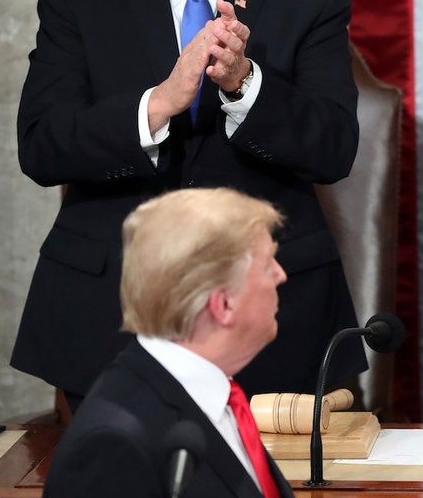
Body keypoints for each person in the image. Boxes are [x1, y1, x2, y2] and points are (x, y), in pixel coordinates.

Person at [12, 0, 367, 412]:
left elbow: (333, 149)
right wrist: (158, 103)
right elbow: (42, 145)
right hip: (108, 313)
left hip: (274, 317)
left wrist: (245, 84)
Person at [44, 188, 294, 497]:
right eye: (268, 264)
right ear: (223, 304)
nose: (281, 275)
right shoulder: (113, 444)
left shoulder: (221, 398)